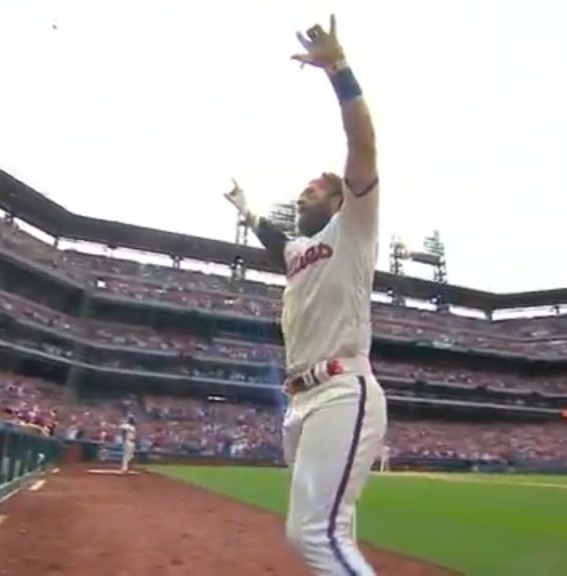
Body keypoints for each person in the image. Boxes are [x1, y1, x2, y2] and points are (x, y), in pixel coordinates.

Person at [223, 15, 386, 575]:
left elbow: (362, 144)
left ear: (339, 199)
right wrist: (244, 207)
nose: (306, 190)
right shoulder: (299, 253)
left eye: (317, 187)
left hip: (342, 387)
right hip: (302, 400)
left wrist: (338, 69)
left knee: (313, 534)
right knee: (330, 531)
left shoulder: (354, 227)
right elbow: (275, 240)